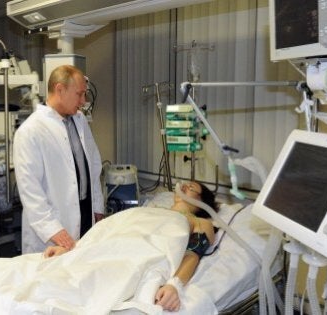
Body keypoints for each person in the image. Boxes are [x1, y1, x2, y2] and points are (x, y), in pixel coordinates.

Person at [44, 181, 219, 312]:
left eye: (191, 188)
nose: (184, 187)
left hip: (140, 255)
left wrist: (175, 285)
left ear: (202, 202)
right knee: (58, 276)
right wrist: (73, 249)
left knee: (87, 282)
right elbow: (107, 230)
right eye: (184, 184)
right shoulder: (148, 209)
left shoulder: (200, 221)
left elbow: (193, 253)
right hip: (110, 247)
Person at [13, 65, 104, 254]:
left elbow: (93, 166)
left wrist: (97, 206)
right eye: (79, 94)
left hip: (85, 216)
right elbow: (31, 191)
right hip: (51, 230)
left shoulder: (79, 121)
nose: (83, 101)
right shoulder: (31, 131)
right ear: (60, 89)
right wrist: (55, 230)